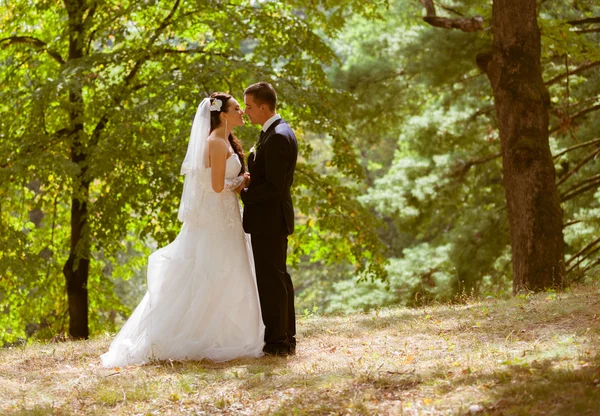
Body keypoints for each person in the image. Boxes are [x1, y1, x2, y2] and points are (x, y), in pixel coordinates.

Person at [101, 93, 265, 367]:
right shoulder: (214, 141)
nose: (242, 113)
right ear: (223, 114)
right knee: (216, 269)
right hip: (217, 218)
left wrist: (240, 181)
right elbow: (215, 186)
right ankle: (203, 333)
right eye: (237, 109)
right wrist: (241, 182)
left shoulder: (225, 140)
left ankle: (230, 331)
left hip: (227, 216)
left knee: (231, 268)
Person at [241, 82, 298, 356]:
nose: (246, 112)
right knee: (278, 278)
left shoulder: (276, 136)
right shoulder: (275, 132)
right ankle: (286, 337)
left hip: (270, 219)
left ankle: (278, 342)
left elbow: (275, 187)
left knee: (272, 280)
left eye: (249, 107)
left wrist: (245, 192)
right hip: (271, 218)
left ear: (264, 106)